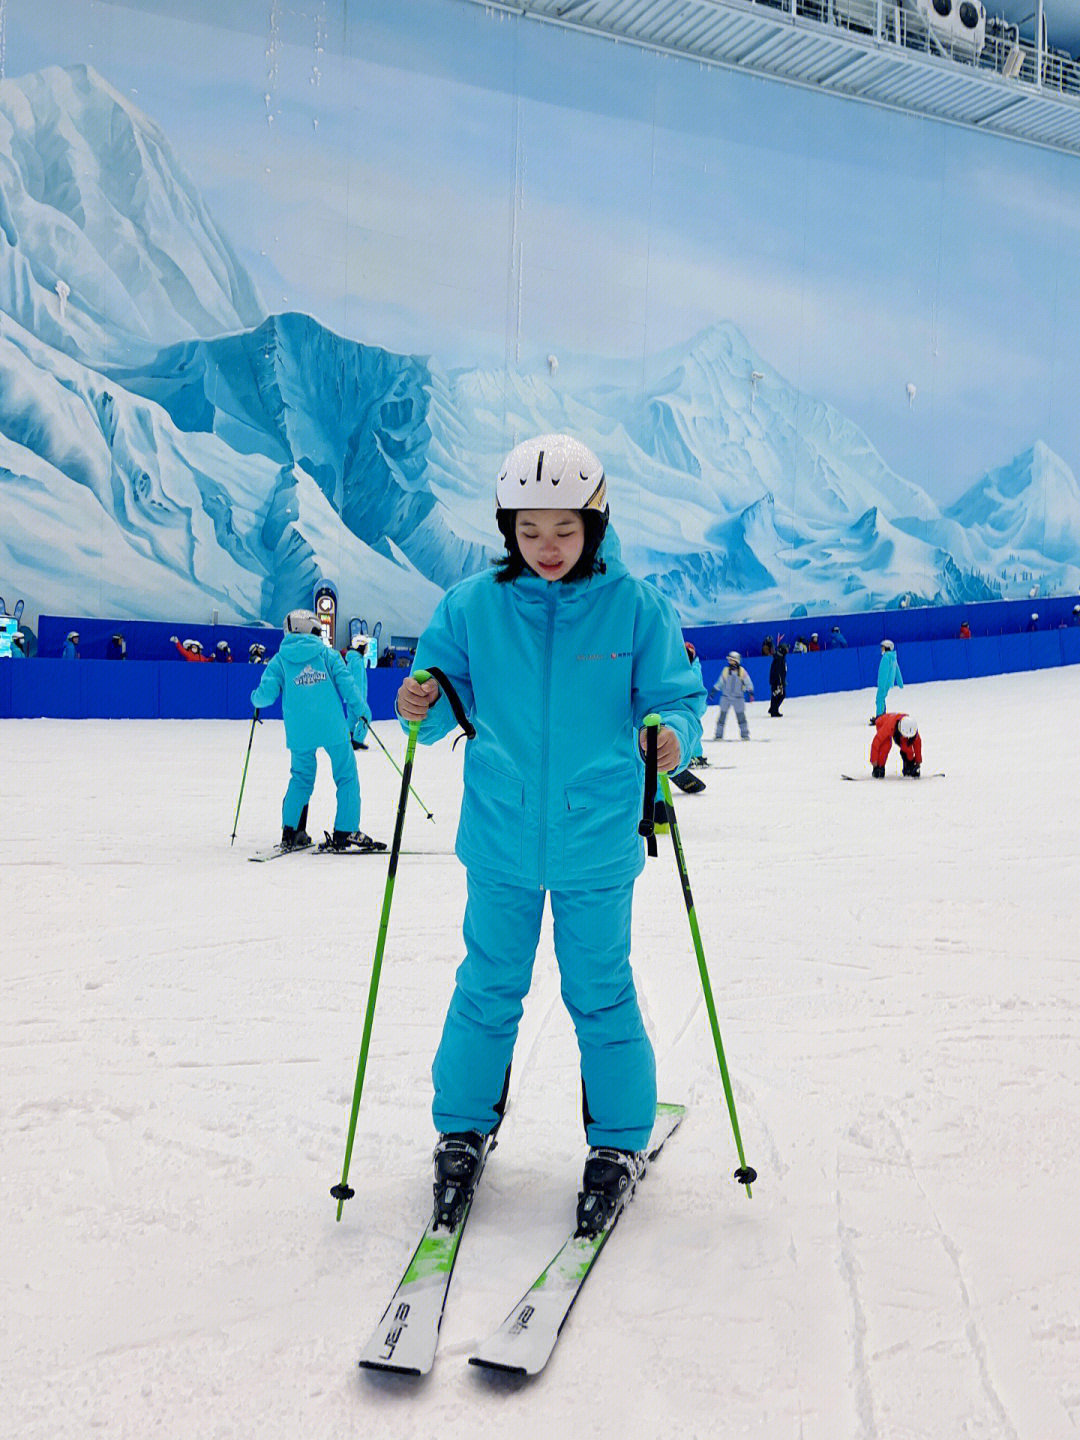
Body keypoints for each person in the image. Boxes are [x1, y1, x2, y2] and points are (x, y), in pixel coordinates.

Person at [395, 433, 704, 1236]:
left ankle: (618, 1144)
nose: (547, 549)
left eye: (564, 531)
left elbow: (676, 699)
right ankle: (461, 1129)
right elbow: (438, 704)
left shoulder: (635, 607)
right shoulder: (473, 606)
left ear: (594, 524)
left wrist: (671, 736)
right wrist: (420, 703)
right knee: (488, 984)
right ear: (507, 531)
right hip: (498, 833)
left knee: (598, 989)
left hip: (597, 837)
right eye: (529, 533)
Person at [251, 610, 383, 853]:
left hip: (300, 731)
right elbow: (348, 686)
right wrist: (362, 711)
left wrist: (255, 700)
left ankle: (291, 832)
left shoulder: (281, 660)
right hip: (332, 727)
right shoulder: (327, 655)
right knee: (346, 776)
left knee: (301, 778)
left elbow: (265, 695)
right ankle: (345, 830)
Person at [709, 651, 754, 739]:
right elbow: (720, 682)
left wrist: (751, 692)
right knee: (722, 717)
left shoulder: (742, 671)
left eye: (732, 660)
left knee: (741, 717)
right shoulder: (726, 670)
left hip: (738, 698)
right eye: (729, 660)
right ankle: (718, 735)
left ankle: (745, 735)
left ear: (737, 661)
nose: (730, 662)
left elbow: (748, 682)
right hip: (726, 697)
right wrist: (714, 691)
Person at [344, 633, 374, 749]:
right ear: (360, 646)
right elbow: (357, 683)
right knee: (366, 716)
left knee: (351, 718)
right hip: (356, 697)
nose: (367, 649)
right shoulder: (357, 661)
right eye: (365, 646)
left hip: (351, 697)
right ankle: (357, 740)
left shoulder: (354, 659)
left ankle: (347, 738)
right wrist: (359, 699)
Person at [870, 712, 922, 778]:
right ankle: (879, 768)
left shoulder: (911, 728)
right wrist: (874, 760)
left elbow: (917, 744)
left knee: (906, 746)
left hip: (898, 727)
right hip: (882, 722)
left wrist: (918, 760)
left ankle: (909, 766)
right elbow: (876, 741)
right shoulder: (888, 726)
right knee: (886, 745)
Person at [874, 638, 903, 718]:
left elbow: (884, 672)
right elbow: (897, 671)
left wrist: (882, 685)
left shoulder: (886, 658)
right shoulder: (893, 657)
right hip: (888, 683)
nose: (881, 649)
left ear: (887, 647)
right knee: (882, 698)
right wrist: (900, 683)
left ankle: (880, 716)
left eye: (882, 647)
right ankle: (882, 714)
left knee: (879, 699)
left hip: (884, 683)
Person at [768, 642, 788, 717]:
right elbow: (778, 672)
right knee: (779, 695)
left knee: (777, 695)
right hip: (777, 681)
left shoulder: (780, 658)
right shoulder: (779, 659)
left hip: (777, 681)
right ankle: (774, 710)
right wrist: (780, 682)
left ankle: (773, 709)